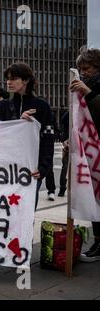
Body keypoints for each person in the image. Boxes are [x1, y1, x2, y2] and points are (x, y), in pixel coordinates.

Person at [0, 62, 54, 207]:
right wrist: (18, 123)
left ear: (26, 80)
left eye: (14, 78)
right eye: (7, 79)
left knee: (26, 214)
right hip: (6, 169)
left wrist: (44, 166)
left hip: (32, 169)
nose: (9, 82)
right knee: (6, 212)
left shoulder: (42, 106)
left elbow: (48, 137)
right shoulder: (2, 106)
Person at [70, 46, 100, 263]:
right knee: (95, 199)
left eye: (86, 68)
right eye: (80, 69)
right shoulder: (85, 86)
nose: (83, 73)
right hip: (92, 151)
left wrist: (88, 94)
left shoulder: (91, 88)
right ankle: (98, 239)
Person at [58, 111, 69, 197]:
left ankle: (62, 189)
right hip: (68, 143)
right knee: (65, 167)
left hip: (67, 142)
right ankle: (62, 188)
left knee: (65, 167)